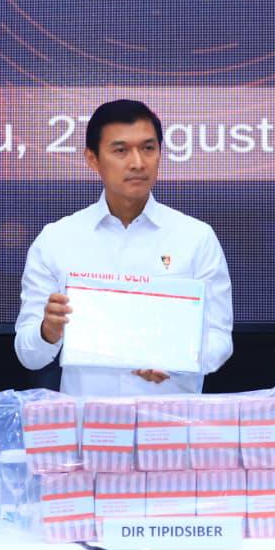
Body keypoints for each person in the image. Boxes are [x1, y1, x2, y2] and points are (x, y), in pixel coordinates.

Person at [15, 100, 233, 396]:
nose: (138, 163)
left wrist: (179, 360)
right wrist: (48, 332)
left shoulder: (195, 237)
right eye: (121, 151)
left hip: (171, 418)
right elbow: (28, 354)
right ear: (92, 159)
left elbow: (219, 338)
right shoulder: (57, 239)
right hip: (88, 420)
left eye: (148, 148)